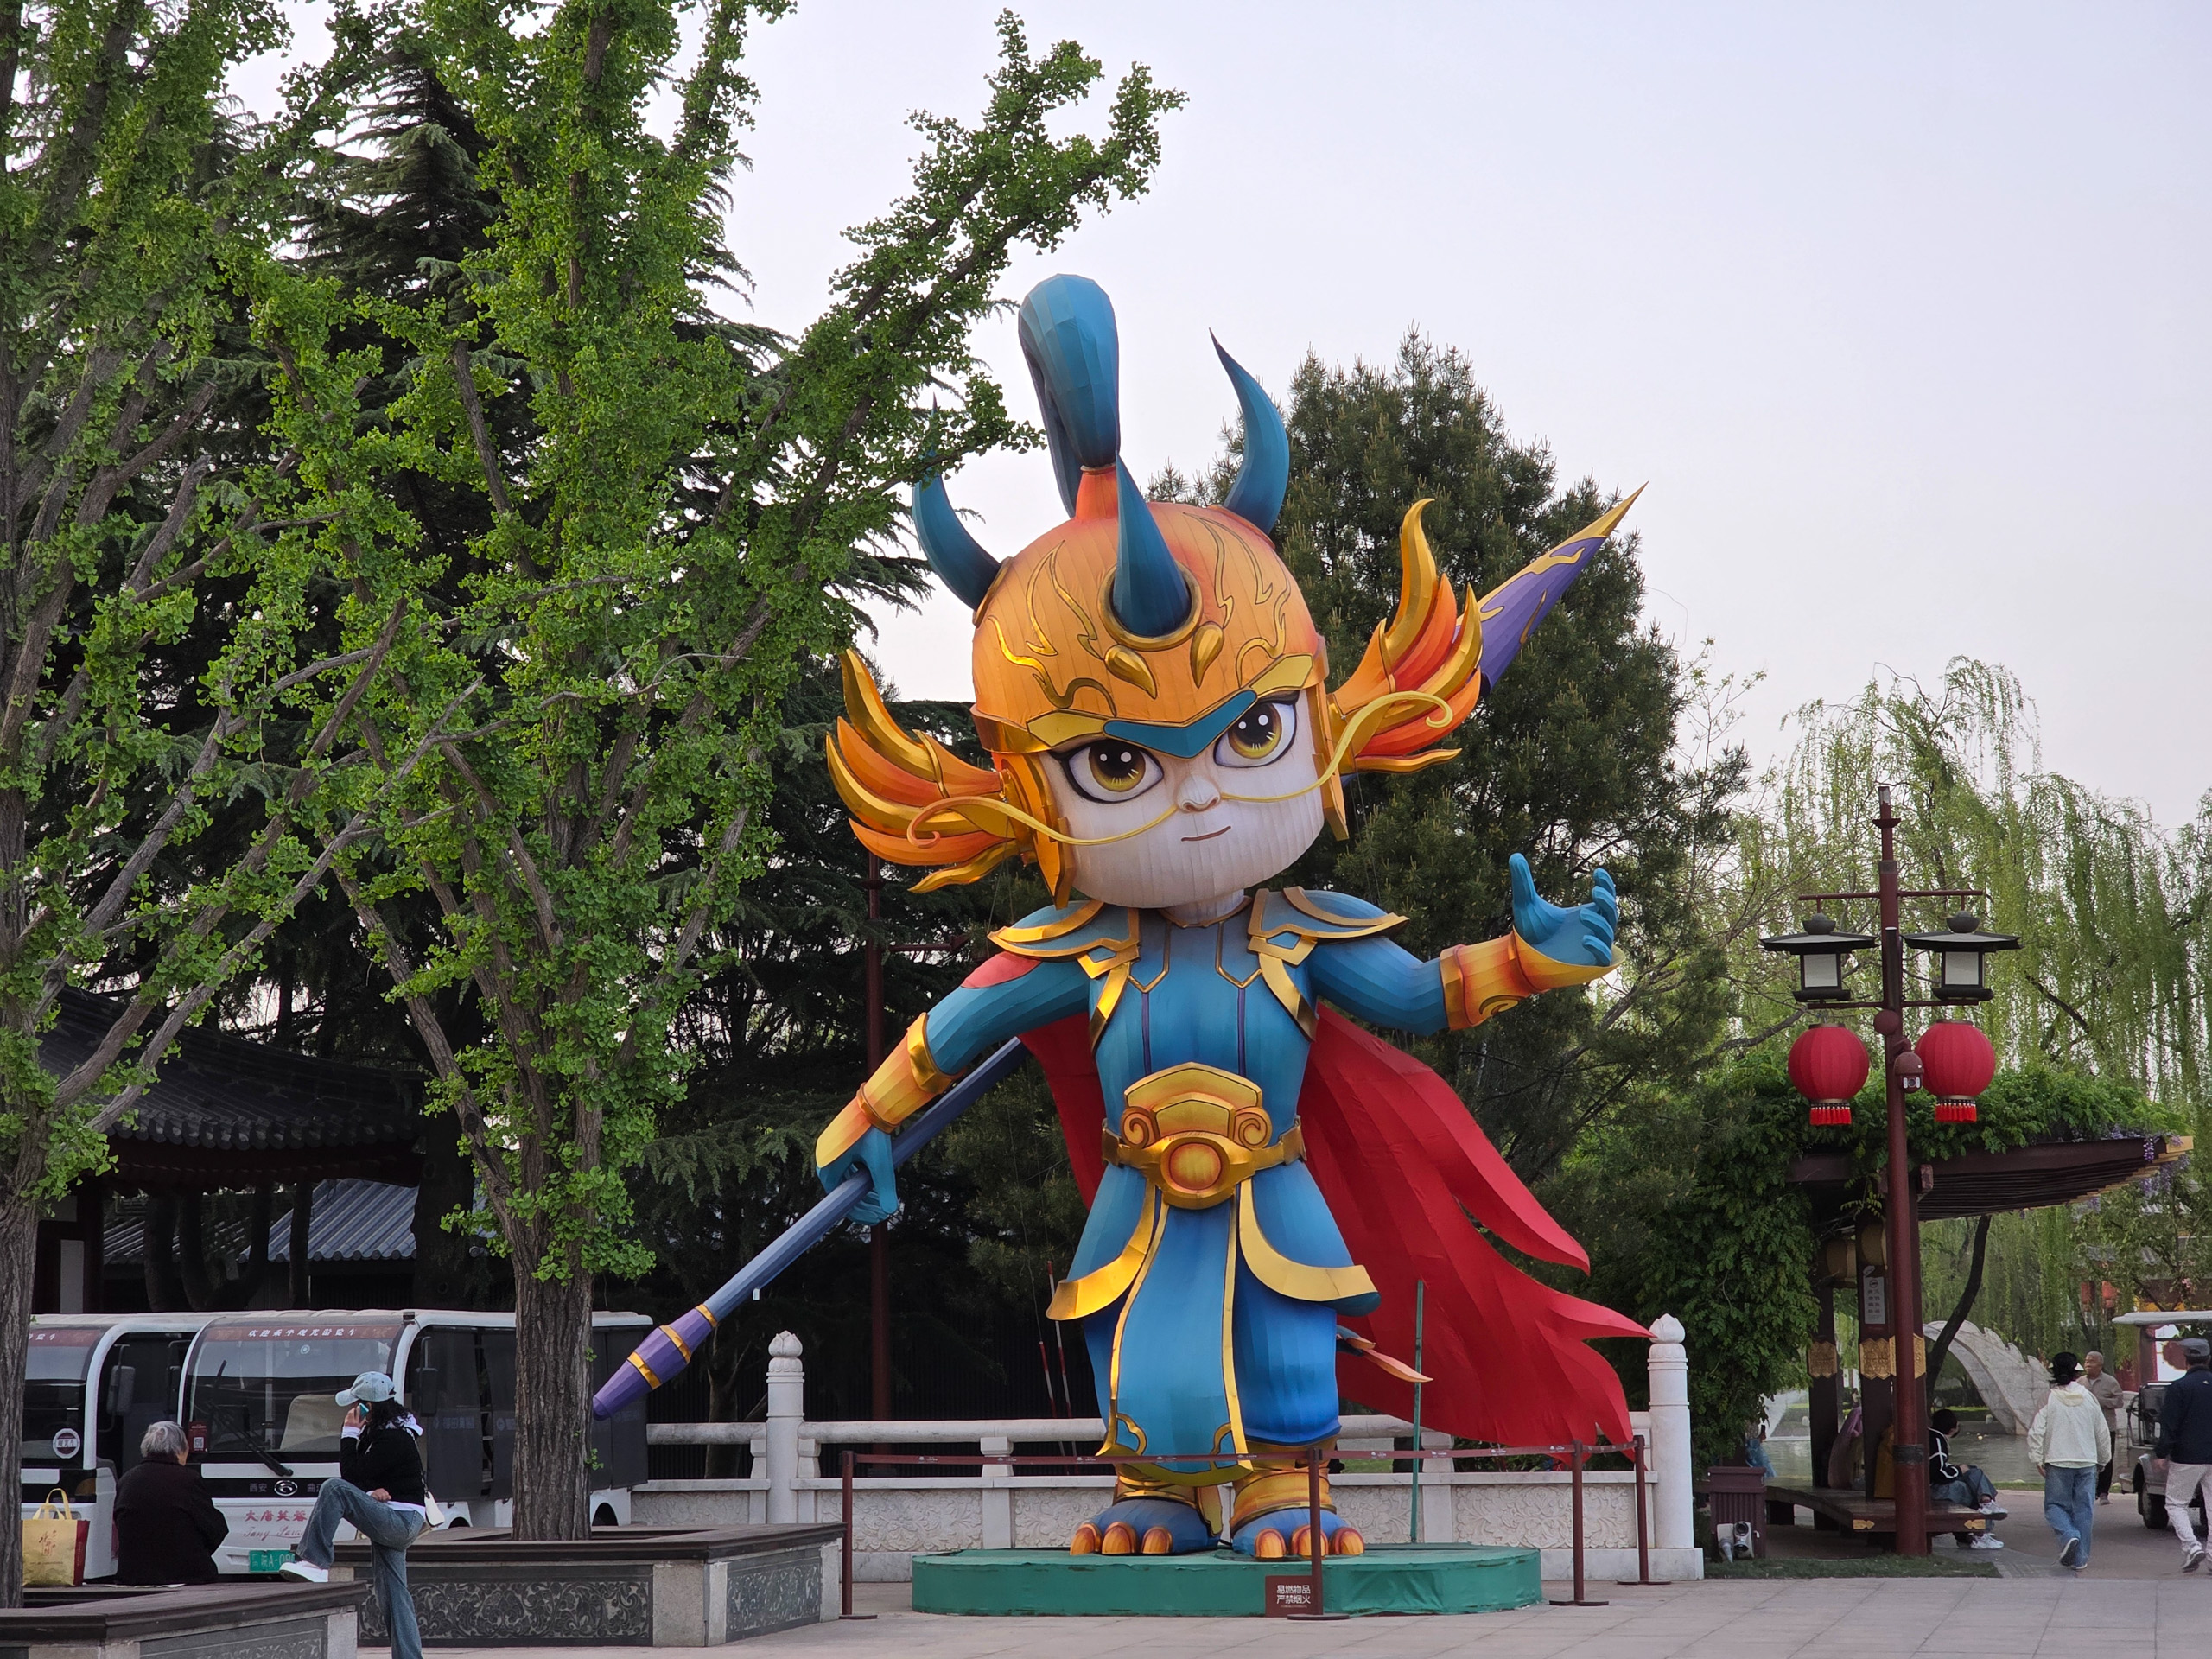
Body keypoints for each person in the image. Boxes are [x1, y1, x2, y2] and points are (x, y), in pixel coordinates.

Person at [280, 1372, 427, 1659]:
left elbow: (349, 1476)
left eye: (356, 1404)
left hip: (400, 1521)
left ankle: (315, 1561)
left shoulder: (393, 1437)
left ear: (368, 1406)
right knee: (394, 1594)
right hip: (397, 1516)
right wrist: (372, 1491)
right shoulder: (387, 1431)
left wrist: (348, 1433)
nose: (351, 1410)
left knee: (333, 1488)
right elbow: (365, 1476)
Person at [111, 1421, 226, 1583]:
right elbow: (216, 1528)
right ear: (179, 1450)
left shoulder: (127, 1479)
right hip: (186, 1575)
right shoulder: (188, 1480)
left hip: (133, 1576)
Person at [2029, 1351, 2111, 1571]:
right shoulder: (2089, 1398)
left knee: (2055, 1505)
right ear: (2077, 1373)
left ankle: (2068, 1535)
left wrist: (2037, 1457)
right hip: (2087, 1461)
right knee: (2084, 1510)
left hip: (2058, 1461)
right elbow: (2102, 1431)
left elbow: (2037, 1431)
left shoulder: (2048, 1398)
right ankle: (2080, 1558)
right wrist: (2103, 1459)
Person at [2155, 1336, 2212, 1572]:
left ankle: (2192, 1546)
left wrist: (2162, 1452)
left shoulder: (2179, 1387)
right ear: (2208, 1359)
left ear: (2186, 1359)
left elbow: (2170, 1423)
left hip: (2187, 1455)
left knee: (2176, 1503)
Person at [1929, 1407, 2006, 1550]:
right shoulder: (1937, 1441)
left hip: (1932, 1485)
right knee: (1970, 1492)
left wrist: (1958, 1469)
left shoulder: (1932, 1436)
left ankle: (1986, 1502)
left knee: (1974, 1472)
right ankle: (1981, 1533)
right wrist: (1958, 1470)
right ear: (1952, 1429)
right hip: (1934, 1488)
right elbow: (1938, 1473)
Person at [2083, 1351, 2123, 1502]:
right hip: (2085, 1427)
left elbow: (2119, 1402)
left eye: (2092, 1362)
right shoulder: (2080, 1382)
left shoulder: (2110, 1382)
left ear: (2100, 1365)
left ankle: (2103, 1492)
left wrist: (2099, 1401)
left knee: (2106, 1458)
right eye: (2087, 1361)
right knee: (2087, 1458)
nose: (2088, 1365)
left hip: (2106, 1427)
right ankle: (2089, 1489)